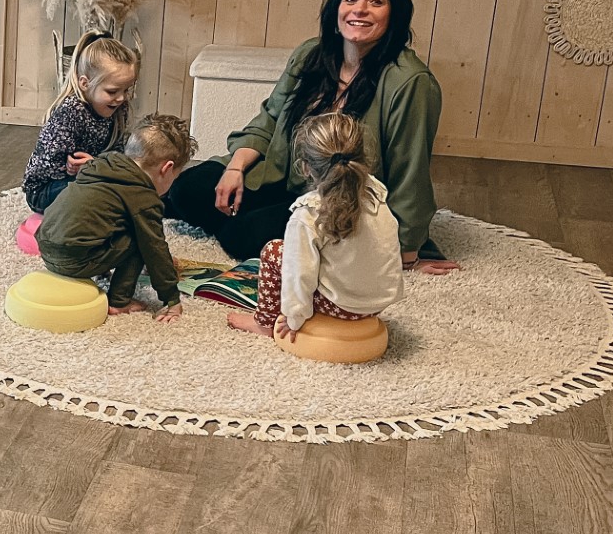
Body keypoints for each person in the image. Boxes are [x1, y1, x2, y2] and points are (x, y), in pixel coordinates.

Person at [164, 0, 460, 274]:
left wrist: (406, 254)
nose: (360, 9)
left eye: (376, 2)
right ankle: (265, 220)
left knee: (240, 237)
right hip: (284, 176)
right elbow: (269, 118)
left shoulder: (410, 82)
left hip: (340, 198)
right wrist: (235, 169)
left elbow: (410, 173)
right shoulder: (310, 54)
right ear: (337, 8)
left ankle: (280, 229)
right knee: (187, 190)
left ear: (395, 14)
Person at [228, 112, 406, 340]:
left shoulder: (308, 213)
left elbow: (299, 275)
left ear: (305, 167)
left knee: (274, 251)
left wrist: (294, 318)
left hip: (342, 305)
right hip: (380, 302)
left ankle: (263, 322)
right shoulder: (376, 193)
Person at [34, 113, 195, 319]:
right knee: (142, 239)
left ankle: (101, 269)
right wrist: (171, 298)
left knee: (107, 219)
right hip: (73, 261)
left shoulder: (100, 166)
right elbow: (155, 248)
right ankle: (119, 301)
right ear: (167, 168)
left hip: (46, 248)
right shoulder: (143, 196)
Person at [21, 31, 140, 213]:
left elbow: (117, 152)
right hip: (46, 189)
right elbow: (50, 164)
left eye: (126, 90)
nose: (121, 98)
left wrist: (98, 166)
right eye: (112, 91)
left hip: (93, 174)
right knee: (103, 190)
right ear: (85, 83)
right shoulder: (70, 111)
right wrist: (85, 168)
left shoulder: (118, 108)